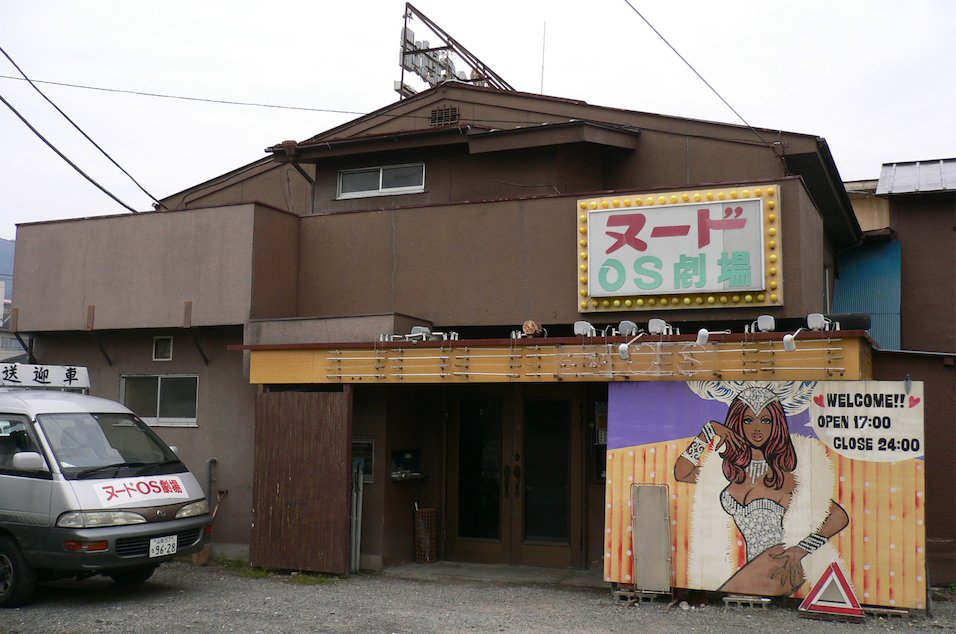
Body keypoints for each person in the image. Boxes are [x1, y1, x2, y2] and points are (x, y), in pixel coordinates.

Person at [674, 384, 848, 595]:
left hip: (781, 564)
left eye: (766, 420)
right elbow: (682, 473)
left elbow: (838, 516)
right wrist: (709, 431)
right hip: (755, 567)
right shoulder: (729, 474)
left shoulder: (783, 477)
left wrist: (799, 551)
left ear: (776, 425)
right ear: (737, 423)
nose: (757, 428)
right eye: (748, 420)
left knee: (722, 602)